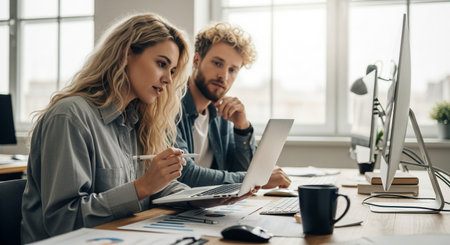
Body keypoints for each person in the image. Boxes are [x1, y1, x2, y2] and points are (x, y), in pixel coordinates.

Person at [21, 14, 255, 243]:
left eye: (172, 71)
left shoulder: (136, 121)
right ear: (126, 54)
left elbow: (158, 191)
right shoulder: (71, 117)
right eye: (161, 64)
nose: (168, 80)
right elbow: (61, 221)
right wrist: (143, 186)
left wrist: (200, 199)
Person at [176, 22, 291, 188]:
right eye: (217, 63)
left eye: (232, 70)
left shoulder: (221, 115)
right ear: (196, 60)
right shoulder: (171, 107)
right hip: (174, 209)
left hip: (207, 207)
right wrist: (256, 180)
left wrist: (241, 128)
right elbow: (185, 175)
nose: (223, 76)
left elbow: (240, 169)